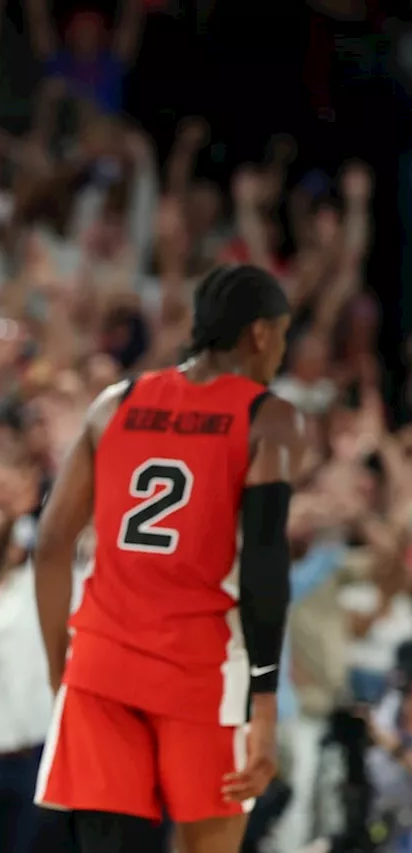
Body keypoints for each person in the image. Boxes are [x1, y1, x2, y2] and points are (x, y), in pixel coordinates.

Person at [31, 264, 305, 853]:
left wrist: (62, 667)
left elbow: (51, 544)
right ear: (260, 334)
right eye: (283, 335)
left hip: (101, 665)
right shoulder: (269, 417)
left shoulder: (115, 402)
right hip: (201, 671)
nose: (281, 351)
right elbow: (264, 566)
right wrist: (265, 703)